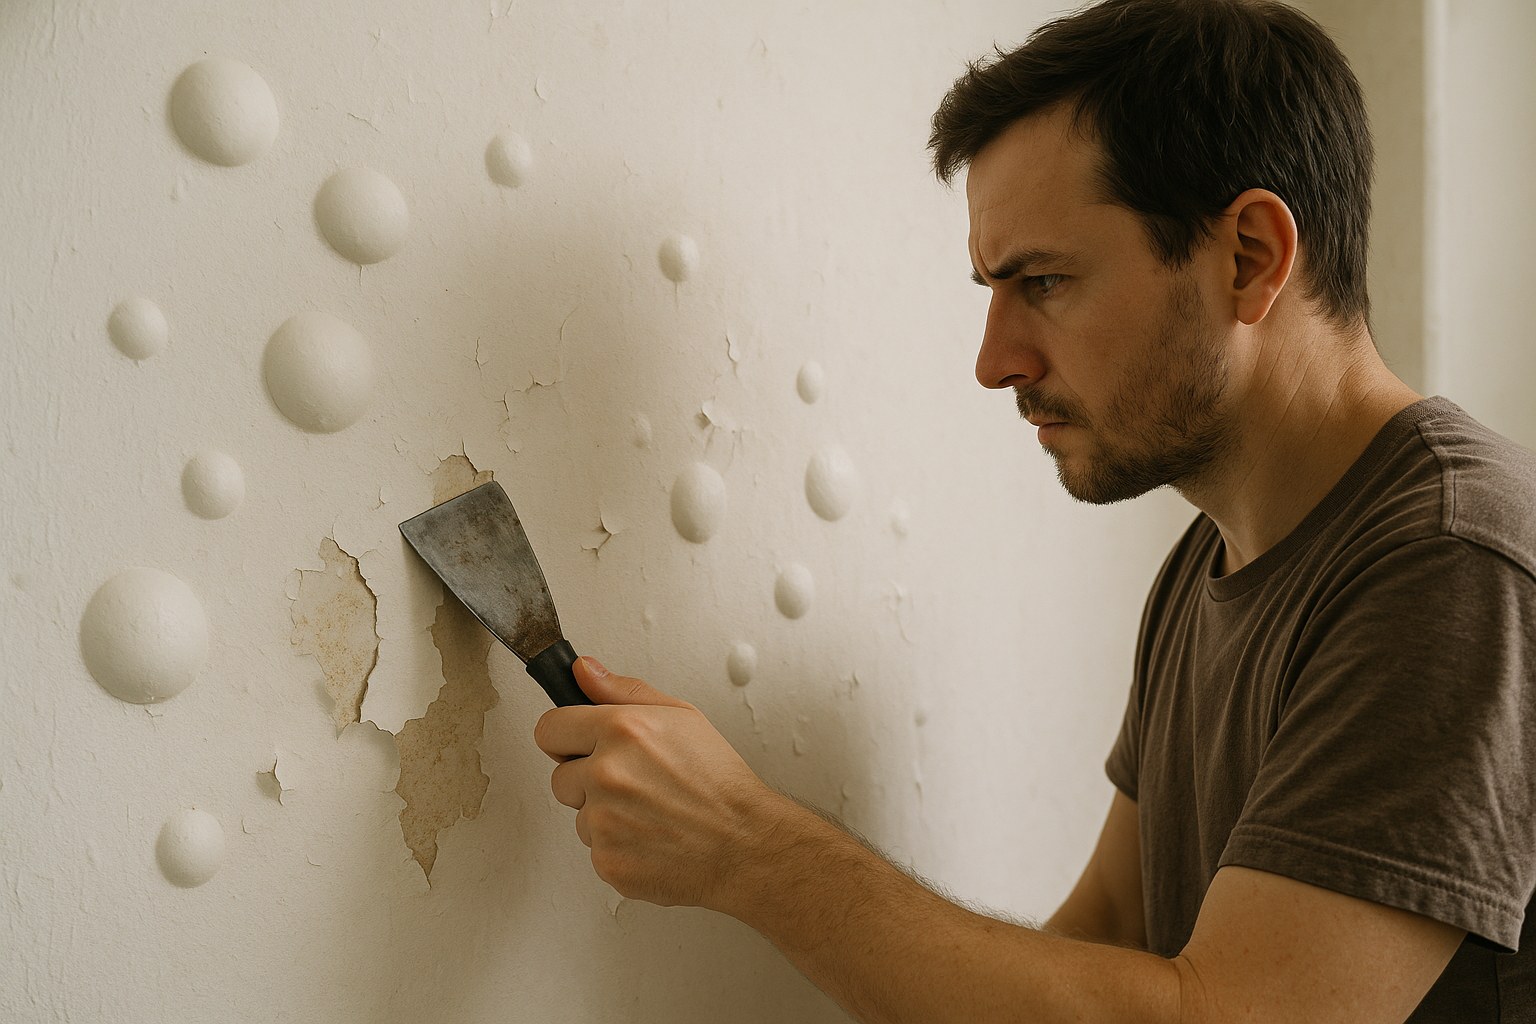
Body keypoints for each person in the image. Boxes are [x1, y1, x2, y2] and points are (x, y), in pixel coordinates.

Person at [534, 0, 1536, 1019]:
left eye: (1044, 281)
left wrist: (749, 848)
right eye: (991, 287)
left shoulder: (1450, 561)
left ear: (1250, 257)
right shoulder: (1211, 562)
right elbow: (1106, 927)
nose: (992, 360)